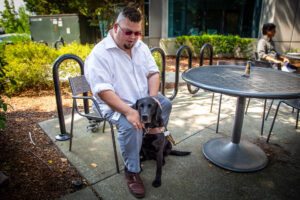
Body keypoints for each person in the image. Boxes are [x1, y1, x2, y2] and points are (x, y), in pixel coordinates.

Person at [84, 6, 172, 198]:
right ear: (116, 27)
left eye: (137, 33)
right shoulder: (100, 54)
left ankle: (151, 138)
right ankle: (132, 171)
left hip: (141, 99)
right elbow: (102, 91)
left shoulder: (141, 47)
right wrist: (129, 111)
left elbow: (153, 73)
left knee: (165, 104)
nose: (133, 37)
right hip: (114, 104)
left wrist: (154, 98)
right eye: (128, 32)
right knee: (131, 126)